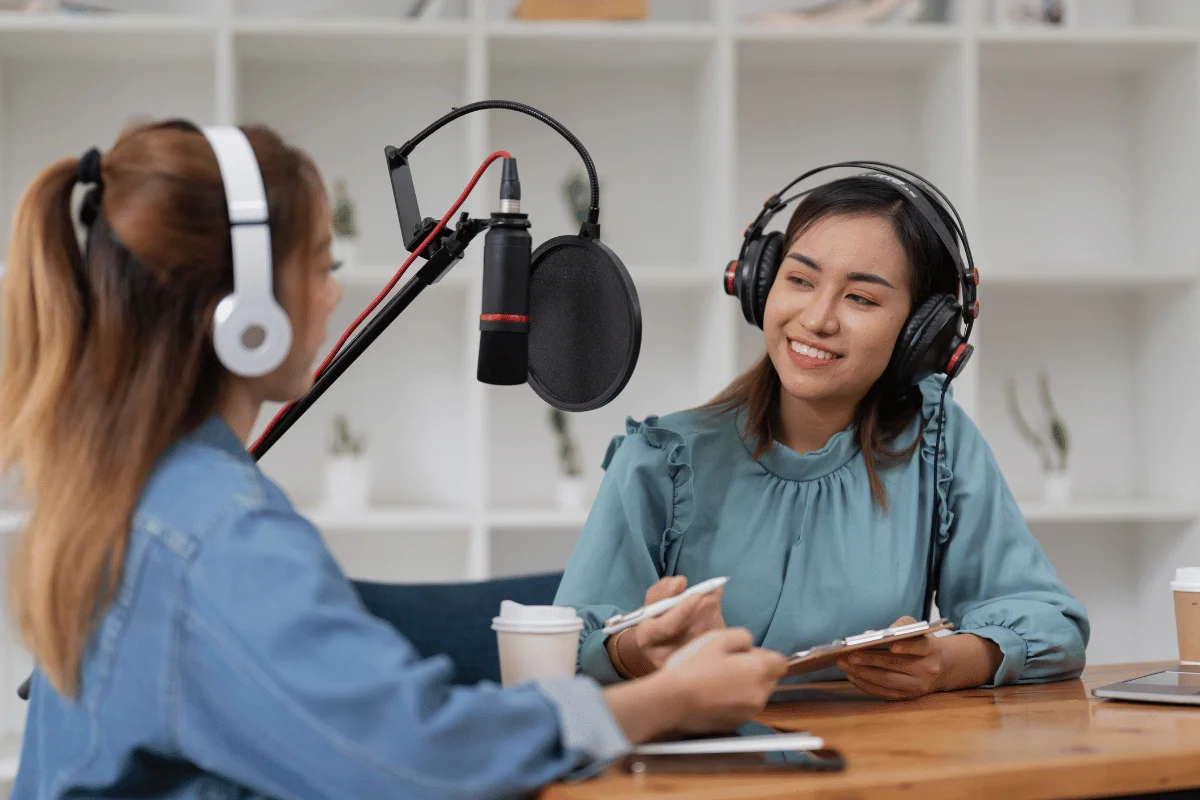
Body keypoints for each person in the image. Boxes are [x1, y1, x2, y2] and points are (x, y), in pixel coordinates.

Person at [0, 119, 787, 800]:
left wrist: (613, 653)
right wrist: (667, 703)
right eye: (319, 265)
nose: (334, 294)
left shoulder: (146, 488)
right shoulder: (215, 534)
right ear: (245, 317)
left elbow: (361, 691)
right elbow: (419, 760)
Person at [555, 167, 1090, 701]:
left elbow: (1051, 624)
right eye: (800, 280)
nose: (817, 319)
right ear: (759, 284)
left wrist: (950, 662)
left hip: (877, 766)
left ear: (920, 334)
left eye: (861, 298)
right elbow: (559, 654)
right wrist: (633, 652)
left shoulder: (936, 443)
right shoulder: (660, 461)